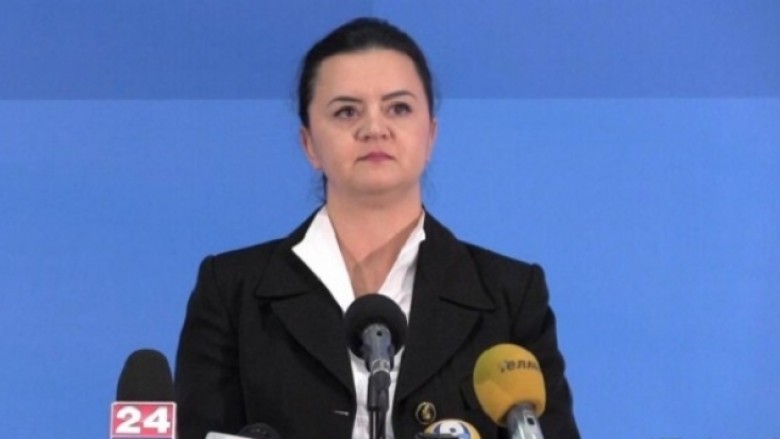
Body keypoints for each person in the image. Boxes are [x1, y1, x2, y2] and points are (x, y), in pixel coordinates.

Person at [175, 17, 580, 439]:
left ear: (430, 135)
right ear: (309, 144)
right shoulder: (232, 291)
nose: (374, 128)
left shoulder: (509, 296)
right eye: (347, 111)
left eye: (398, 108)